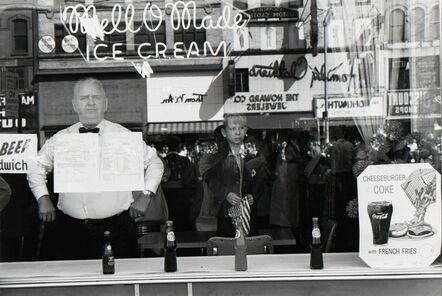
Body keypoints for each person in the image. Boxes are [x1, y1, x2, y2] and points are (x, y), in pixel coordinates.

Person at [27, 77, 163, 260]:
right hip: (71, 230)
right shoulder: (61, 139)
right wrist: (43, 199)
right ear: (75, 105)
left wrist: (145, 197)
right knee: (74, 285)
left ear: (105, 103)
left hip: (118, 229)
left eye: (96, 97)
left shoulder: (123, 136)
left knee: (120, 285)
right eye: (84, 98)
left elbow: (155, 163)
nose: (90, 103)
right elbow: (36, 165)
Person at [202, 114, 254, 237]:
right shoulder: (216, 158)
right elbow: (210, 179)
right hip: (225, 210)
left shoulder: (240, 157)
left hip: (243, 210)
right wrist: (226, 194)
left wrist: (250, 195)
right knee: (228, 241)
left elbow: (248, 182)